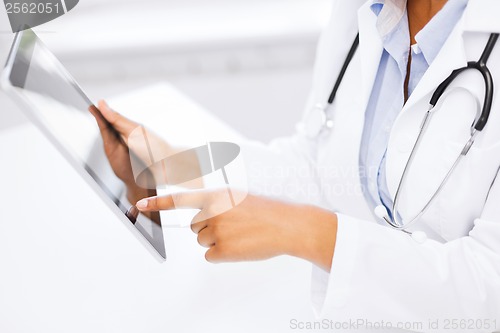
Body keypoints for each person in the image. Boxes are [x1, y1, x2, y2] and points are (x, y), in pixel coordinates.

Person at [92, 0, 500, 331]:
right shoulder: (362, 13)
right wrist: (176, 165)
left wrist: (306, 231)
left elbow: (489, 287)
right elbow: (317, 162)